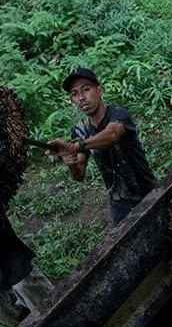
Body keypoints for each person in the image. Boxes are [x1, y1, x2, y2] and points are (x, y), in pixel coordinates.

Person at [46, 67, 157, 226]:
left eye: (86, 89)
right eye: (75, 94)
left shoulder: (118, 113)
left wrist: (76, 146)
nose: (81, 98)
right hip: (118, 203)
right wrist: (71, 163)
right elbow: (80, 174)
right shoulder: (80, 130)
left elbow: (112, 135)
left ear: (100, 91)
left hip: (146, 191)